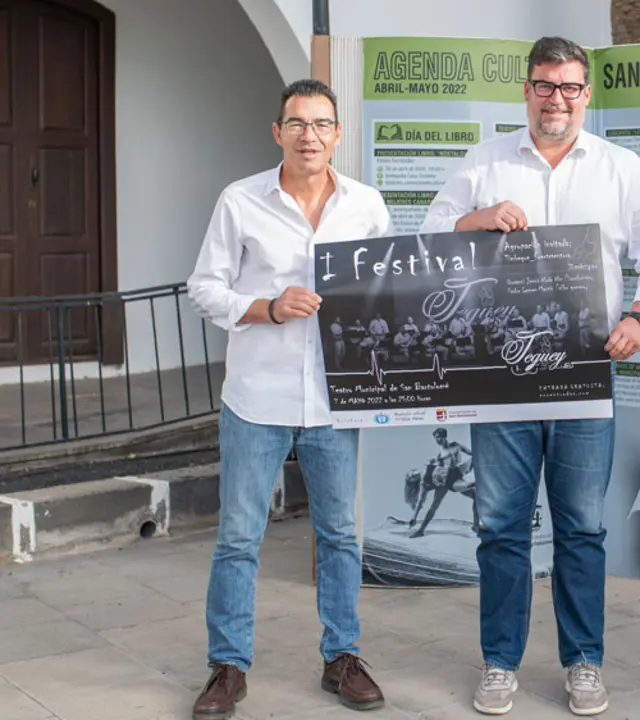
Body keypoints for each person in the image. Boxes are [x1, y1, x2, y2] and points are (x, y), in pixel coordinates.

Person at [418, 35, 640, 716]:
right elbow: (429, 238)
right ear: (526, 90)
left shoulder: (619, 167)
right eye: (544, 85)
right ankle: (500, 663)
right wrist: (478, 218)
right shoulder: (485, 161)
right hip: (501, 378)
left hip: (585, 374)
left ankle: (584, 661)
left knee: (582, 527)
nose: (555, 98)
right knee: (500, 525)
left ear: (586, 94)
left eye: (568, 87)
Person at [186, 78, 390, 720]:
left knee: (339, 536)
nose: (310, 135)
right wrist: (266, 307)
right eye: (297, 123)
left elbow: (388, 288)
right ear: (278, 132)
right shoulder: (240, 200)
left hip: (335, 399)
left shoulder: (366, 205)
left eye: (322, 124)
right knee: (239, 538)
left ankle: (343, 658)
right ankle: (227, 666)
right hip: (257, 397)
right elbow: (203, 288)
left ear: (337, 133)